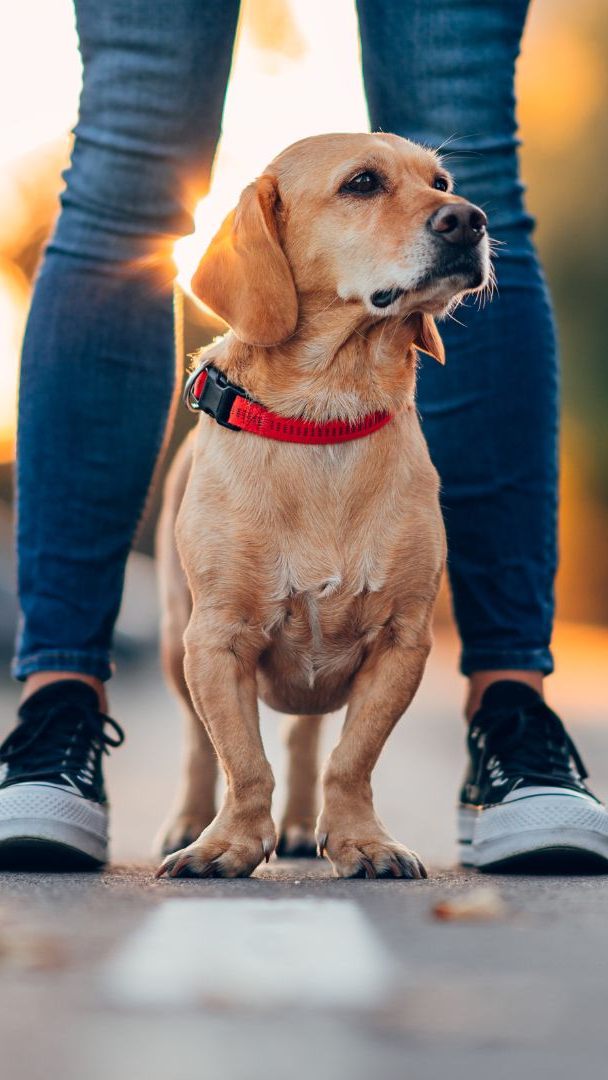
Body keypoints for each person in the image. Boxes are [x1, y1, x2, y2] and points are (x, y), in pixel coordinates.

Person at [1, 0, 606, 871]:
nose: (449, 212)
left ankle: (510, 715)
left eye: (438, 189)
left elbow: (463, 195)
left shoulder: (438, 259)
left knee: (479, 135)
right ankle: (61, 706)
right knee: (126, 167)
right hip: (246, 451)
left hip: (380, 459)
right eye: (367, 188)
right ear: (272, 240)